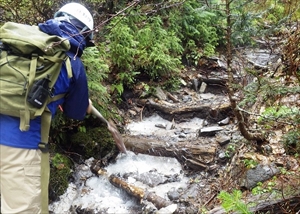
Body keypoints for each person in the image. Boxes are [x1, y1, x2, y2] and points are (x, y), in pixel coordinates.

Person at [0, 2, 95, 213]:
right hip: (21, 148)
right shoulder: (72, 62)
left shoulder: (16, 43)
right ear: (83, 36)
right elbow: (76, 112)